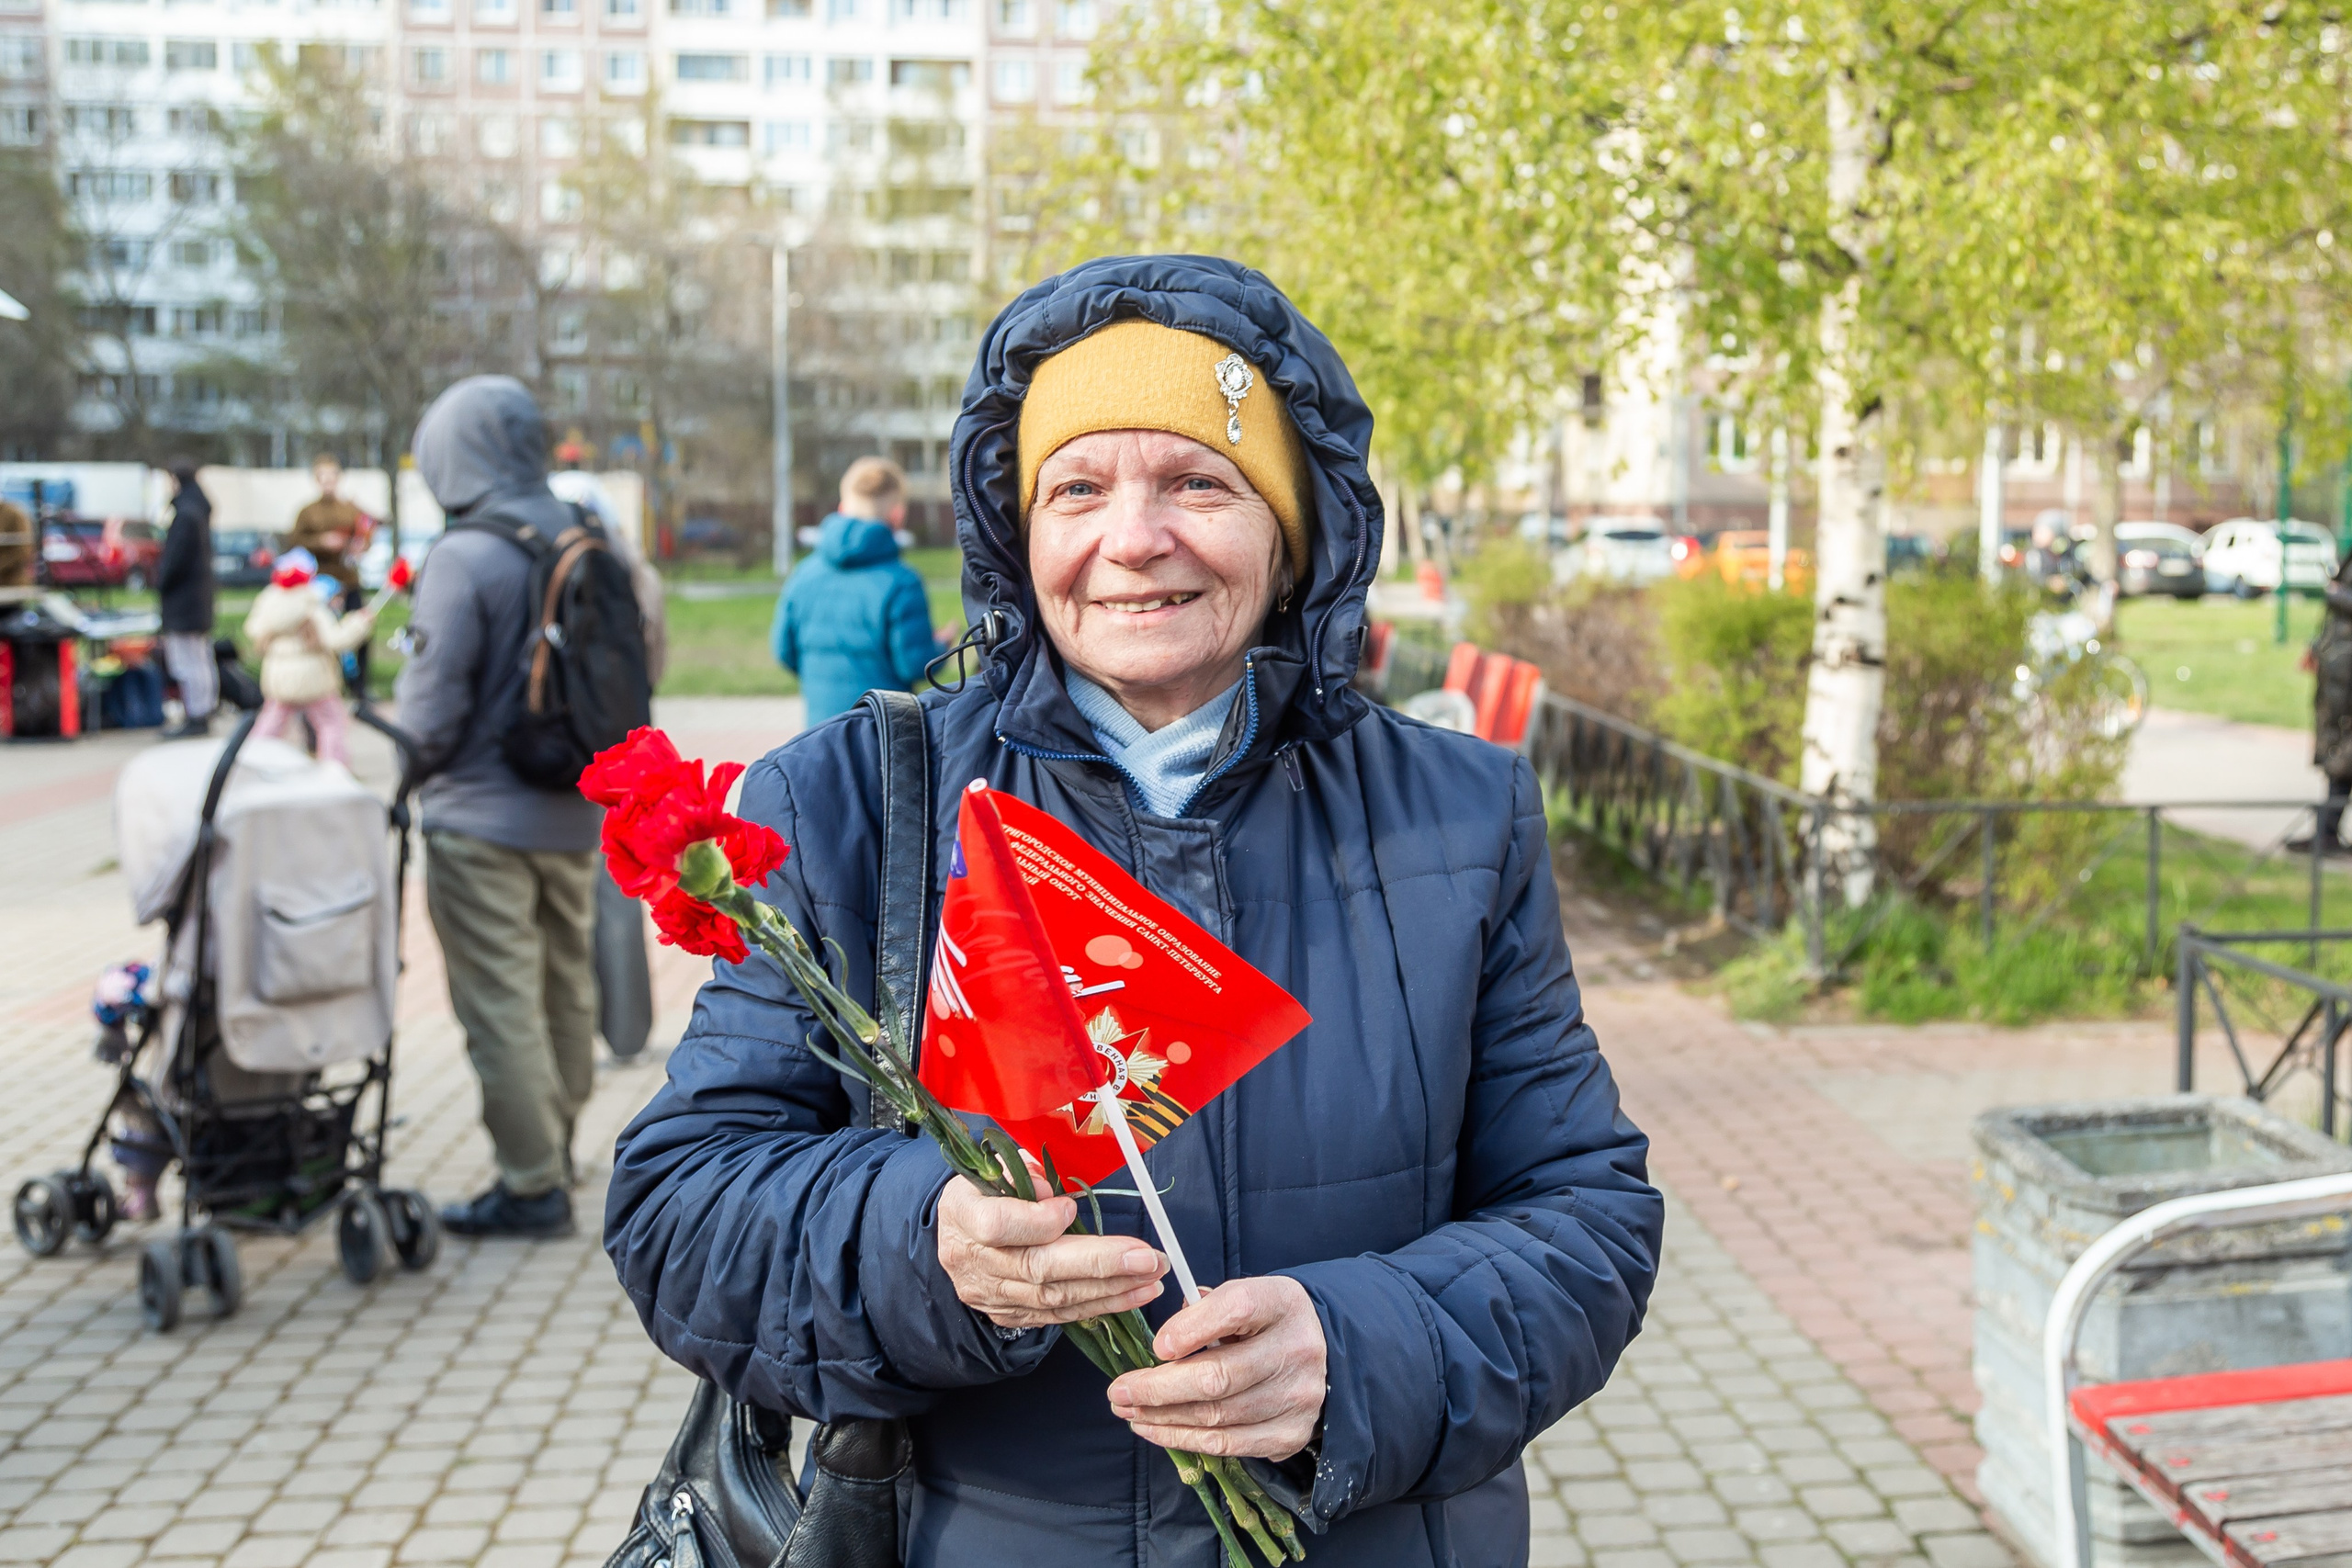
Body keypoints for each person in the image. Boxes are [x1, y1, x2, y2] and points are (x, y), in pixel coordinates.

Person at [606, 258, 1662, 1564]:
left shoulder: (1457, 812)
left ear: (1291, 533)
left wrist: (1364, 1347)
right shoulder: (850, 805)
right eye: (1078, 488)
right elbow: (680, 1205)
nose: (1133, 537)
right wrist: (923, 1239)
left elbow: (1587, 1214)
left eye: (1198, 482)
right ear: (1019, 531)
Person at [397, 377, 600, 1238]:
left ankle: (530, 1183)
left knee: (501, 1001)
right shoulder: (586, 537)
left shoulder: (464, 554)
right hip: (574, 811)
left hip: (478, 818)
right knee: (566, 985)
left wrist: (403, 765)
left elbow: (430, 708)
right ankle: (556, 1142)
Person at [770, 456, 937, 723]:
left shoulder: (803, 575)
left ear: (842, 507)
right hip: (882, 735)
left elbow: (783, 650)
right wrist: (939, 647)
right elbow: (914, 665)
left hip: (818, 735)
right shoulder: (903, 582)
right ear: (898, 515)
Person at [241, 547, 373, 767]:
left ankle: (252, 761)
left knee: (271, 723)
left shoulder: (269, 603)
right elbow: (336, 640)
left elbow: (252, 629)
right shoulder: (311, 606)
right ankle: (334, 768)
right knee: (331, 723)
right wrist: (358, 623)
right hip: (313, 677)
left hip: (279, 677)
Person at [287, 453, 376, 692]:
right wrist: (321, 541)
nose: (328, 482)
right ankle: (329, 683)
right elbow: (294, 541)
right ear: (317, 480)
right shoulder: (308, 512)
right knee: (325, 632)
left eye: (332, 477)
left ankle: (360, 685)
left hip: (348, 578)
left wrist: (361, 545)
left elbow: (366, 532)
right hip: (322, 580)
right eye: (323, 478)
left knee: (361, 627)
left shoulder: (351, 508)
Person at [156, 458, 218, 739]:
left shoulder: (185, 515)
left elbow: (174, 562)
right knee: (200, 657)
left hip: (184, 602)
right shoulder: (198, 510)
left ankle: (197, 715)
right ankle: (203, 710)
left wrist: (160, 580)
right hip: (198, 599)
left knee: (188, 660)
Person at [2298, 547, 2352, 855]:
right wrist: (2318, 647)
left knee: (2344, 748)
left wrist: (2335, 593)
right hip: (2339, 665)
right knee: (2338, 746)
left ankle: (2327, 829)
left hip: (2347, 669)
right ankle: (2326, 829)